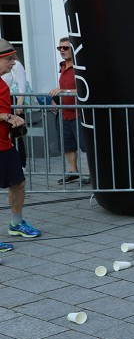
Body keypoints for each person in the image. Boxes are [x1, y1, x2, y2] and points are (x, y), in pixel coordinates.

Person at [0, 39, 40, 247]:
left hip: (5, 145)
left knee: (18, 183)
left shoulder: (3, 84)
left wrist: (13, 121)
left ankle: (16, 224)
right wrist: (7, 117)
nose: (13, 63)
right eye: (9, 59)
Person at [49, 37, 87, 183]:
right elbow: (62, 88)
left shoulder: (80, 66)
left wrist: (63, 91)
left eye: (66, 48)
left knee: (86, 146)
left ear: (73, 48)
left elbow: (82, 89)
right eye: (60, 48)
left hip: (78, 113)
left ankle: (92, 174)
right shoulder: (62, 66)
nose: (62, 51)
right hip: (64, 113)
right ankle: (73, 172)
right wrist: (55, 100)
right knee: (68, 145)